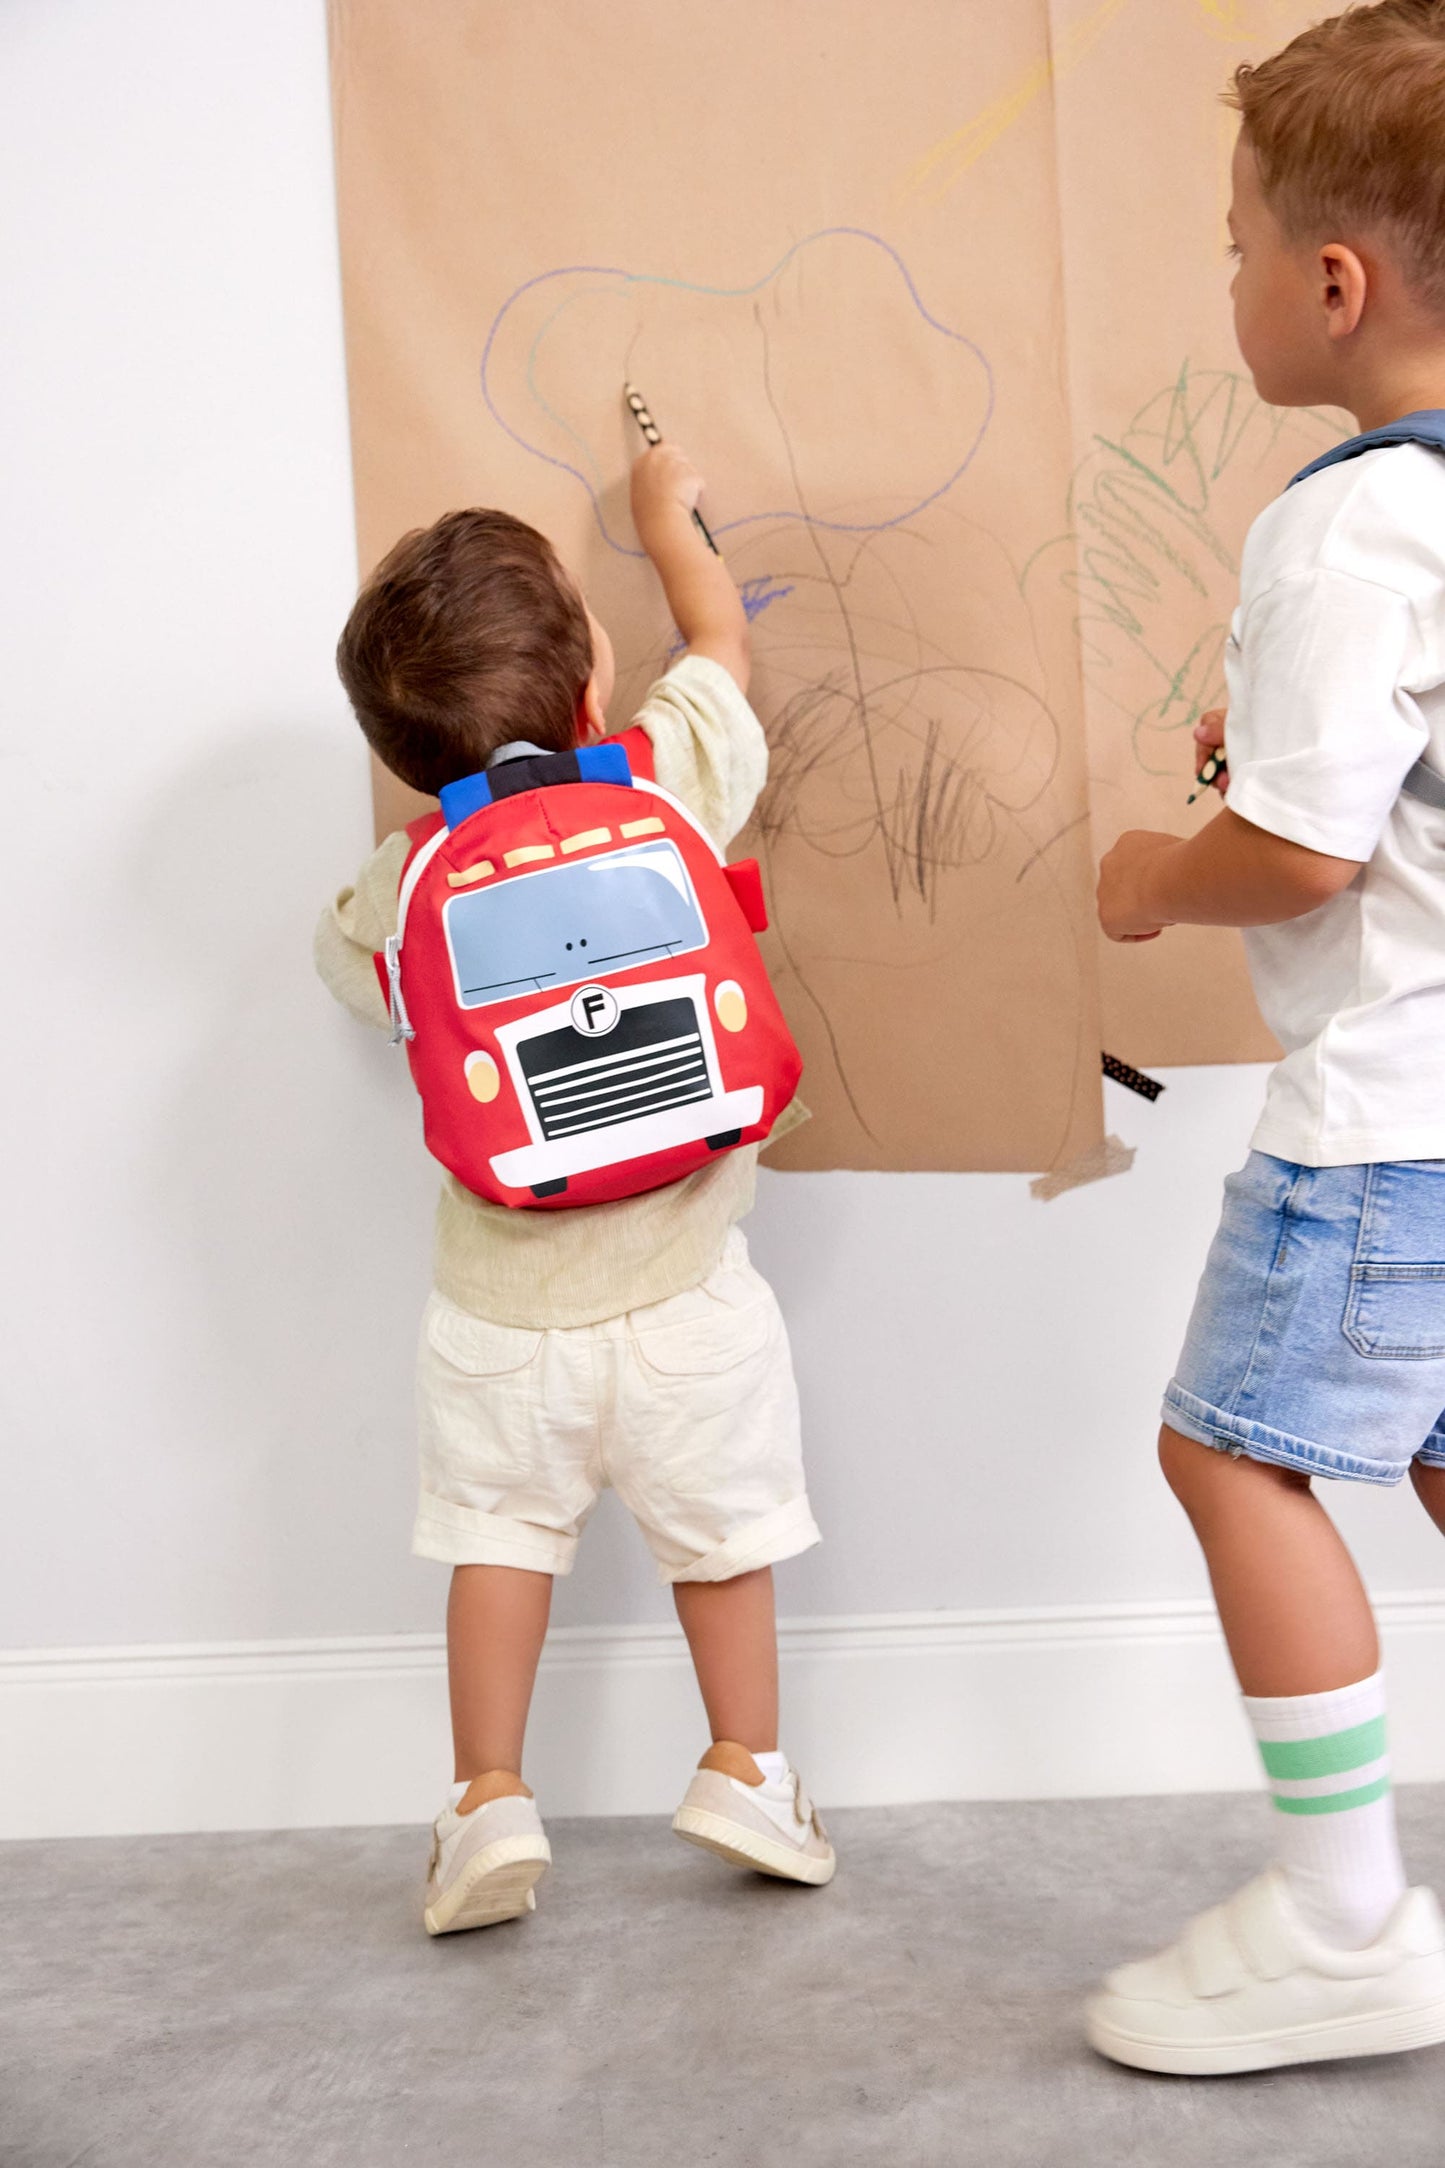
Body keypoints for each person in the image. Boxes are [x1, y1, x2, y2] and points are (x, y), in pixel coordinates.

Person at [316, 443, 833, 1936]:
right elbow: (722, 644)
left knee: (498, 1543)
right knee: (723, 1544)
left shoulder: (407, 876)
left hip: (497, 1319)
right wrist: (666, 521)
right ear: (594, 683)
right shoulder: (667, 774)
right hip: (690, 1304)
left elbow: (349, 967)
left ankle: (487, 1798)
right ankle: (747, 1769)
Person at [1089, 0, 1445, 2074]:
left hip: (1391, 1114)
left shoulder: (1346, 523)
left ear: (1331, 285)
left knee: (1226, 1449)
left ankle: (1340, 1916)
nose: (1223, 277)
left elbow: (1304, 858)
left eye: (1232, 244)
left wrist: (1155, 871)